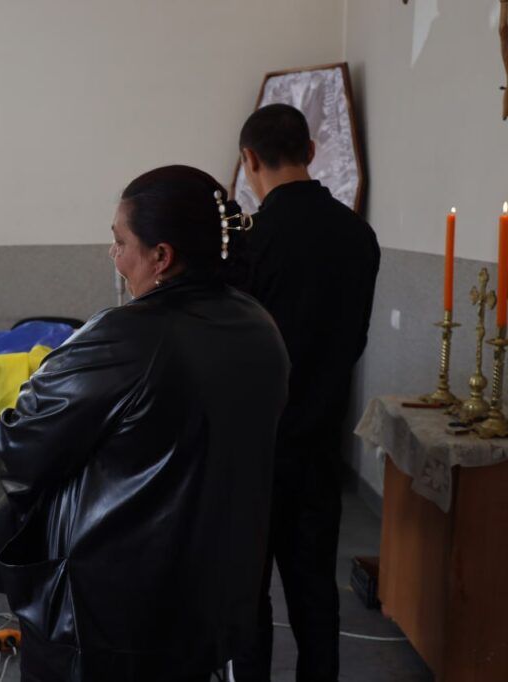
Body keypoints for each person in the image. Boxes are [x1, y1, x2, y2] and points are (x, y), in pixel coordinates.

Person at [0, 165, 290, 682]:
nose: (114, 255)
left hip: (114, 605)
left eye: (121, 242)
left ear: (161, 256)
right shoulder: (259, 324)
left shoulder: (128, 336)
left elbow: (20, 442)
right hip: (211, 592)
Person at [228, 104, 380, 682]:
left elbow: (235, 351)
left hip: (254, 448)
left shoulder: (250, 241)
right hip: (319, 441)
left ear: (249, 160)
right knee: (315, 592)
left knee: (248, 594)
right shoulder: (358, 235)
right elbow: (354, 340)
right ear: (311, 152)